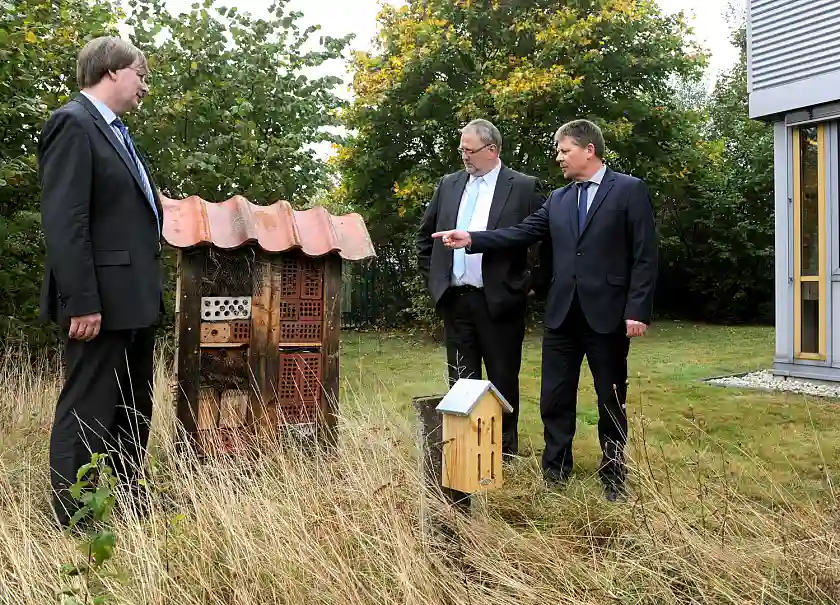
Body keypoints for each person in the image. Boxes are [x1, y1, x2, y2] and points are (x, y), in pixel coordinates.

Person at [432, 119, 658, 501]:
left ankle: (615, 472)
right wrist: (473, 238)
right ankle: (555, 470)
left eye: (564, 150)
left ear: (589, 150)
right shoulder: (558, 198)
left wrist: (637, 310)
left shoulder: (630, 191)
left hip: (607, 313)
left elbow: (645, 255)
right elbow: (521, 232)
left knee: (610, 396)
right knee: (554, 397)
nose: (559, 158)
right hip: (561, 315)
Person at [37, 36, 162, 527]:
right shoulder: (73, 123)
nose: (143, 86)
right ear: (112, 71)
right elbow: (66, 221)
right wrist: (82, 300)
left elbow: (121, 210)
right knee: (88, 406)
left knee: (133, 404)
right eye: (140, 74)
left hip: (133, 299)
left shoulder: (117, 133)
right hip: (99, 302)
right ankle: (75, 516)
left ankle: (131, 500)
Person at [415, 119, 549, 457]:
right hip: (456, 300)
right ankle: (467, 447)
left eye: (470, 150)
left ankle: (504, 451)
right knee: (462, 379)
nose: (464, 156)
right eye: (461, 149)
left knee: (503, 377)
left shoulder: (522, 187)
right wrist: (437, 281)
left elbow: (549, 241)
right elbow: (424, 238)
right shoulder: (448, 184)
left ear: (493, 150)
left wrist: (532, 285)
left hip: (501, 301)